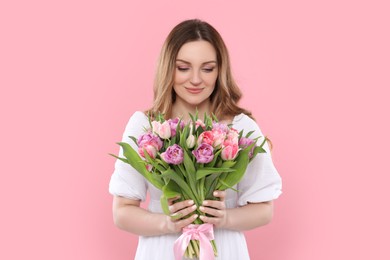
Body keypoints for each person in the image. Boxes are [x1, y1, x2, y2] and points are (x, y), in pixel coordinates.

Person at [109, 19, 282, 259]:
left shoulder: (241, 127)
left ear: (220, 71)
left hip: (224, 249)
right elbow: (122, 213)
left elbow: (264, 210)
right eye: (183, 67)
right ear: (168, 67)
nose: (196, 79)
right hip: (162, 250)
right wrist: (168, 223)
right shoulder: (145, 127)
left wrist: (225, 218)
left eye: (208, 68)